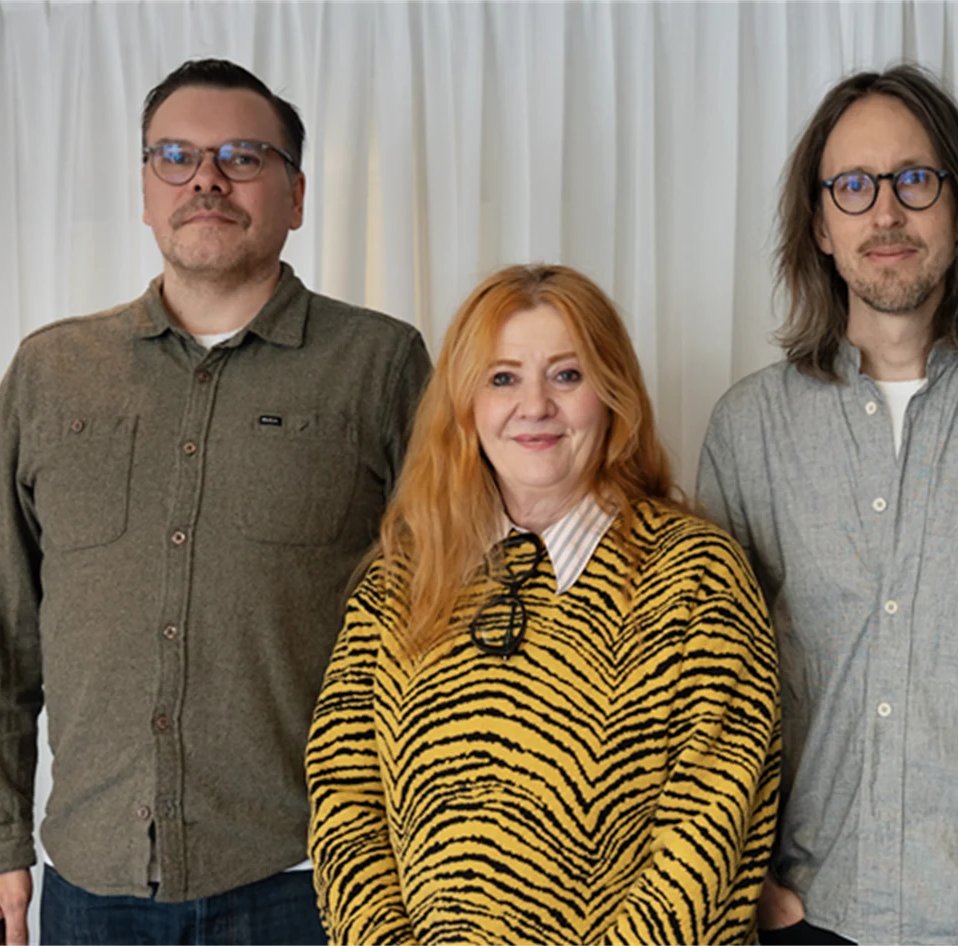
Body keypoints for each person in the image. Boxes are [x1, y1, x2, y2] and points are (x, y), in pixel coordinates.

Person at [0, 59, 431, 946]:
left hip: (310, 878)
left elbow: (441, 611)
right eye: (176, 155)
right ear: (145, 189)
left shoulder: (382, 365)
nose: (206, 177)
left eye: (243, 156)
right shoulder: (50, 373)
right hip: (91, 883)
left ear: (295, 195)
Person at [696, 65, 958, 945]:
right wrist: (748, 886)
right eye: (853, 186)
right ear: (818, 223)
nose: (885, 213)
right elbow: (710, 690)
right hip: (813, 918)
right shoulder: (747, 430)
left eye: (914, 180)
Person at [306, 263, 780, 945]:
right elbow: (345, 800)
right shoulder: (402, 577)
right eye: (502, 378)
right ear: (465, 403)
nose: (535, 406)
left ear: (613, 393)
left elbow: (707, 836)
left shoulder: (697, 575)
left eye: (567, 375)